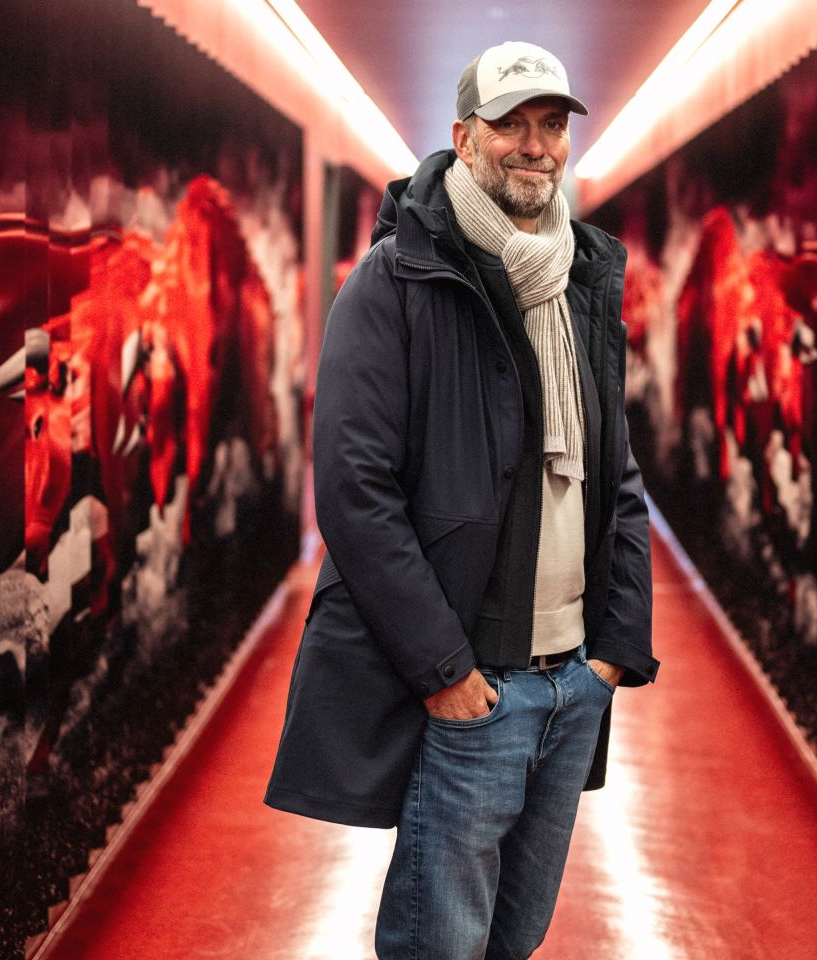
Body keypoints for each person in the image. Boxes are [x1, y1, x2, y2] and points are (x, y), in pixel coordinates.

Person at [265, 40, 658, 960]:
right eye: (510, 124)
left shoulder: (580, 283)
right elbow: (355, 493)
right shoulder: (394, 283)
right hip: (474, 687)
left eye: (551, 125)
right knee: (439, 943)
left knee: (514, 939)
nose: (536, 146)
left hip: (572, 684)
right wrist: (446, 674)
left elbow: (619, 476)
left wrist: (613, 654)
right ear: (464, 137)